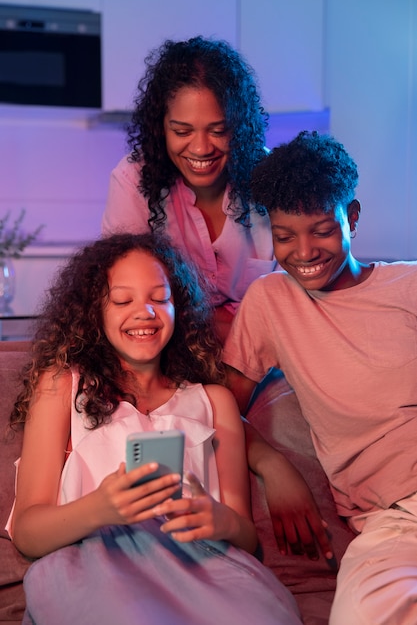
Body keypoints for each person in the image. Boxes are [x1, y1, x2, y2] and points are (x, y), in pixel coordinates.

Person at [7, 233, 301, 625]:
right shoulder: (62, 385)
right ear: (95, 311)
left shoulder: (215, 401)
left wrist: (220, 520)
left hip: (202, 566)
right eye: (123, 300)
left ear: (178, 307)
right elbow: (27, 531)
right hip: (95, 565)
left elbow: (245, 537)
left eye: (159, 298)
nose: (144, 312)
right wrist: (100, 508)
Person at [223, 130, 417, 625]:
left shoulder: (408, 286)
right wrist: (272, 464)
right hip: (391, 522)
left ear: (352, 217)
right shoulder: (270, 302)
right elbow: (216, 410)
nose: (304, 251)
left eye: (322, 229)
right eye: (285, 236)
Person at [102, 36, 277, 343]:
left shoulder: (272, 177)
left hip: (263, 356)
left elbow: (292, 301)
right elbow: (128, 299)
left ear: (241, 127)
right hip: (172, 355)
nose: (200, 148)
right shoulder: (133, 180)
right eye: (182, 131)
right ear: (161, 128)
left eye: (219, 131)